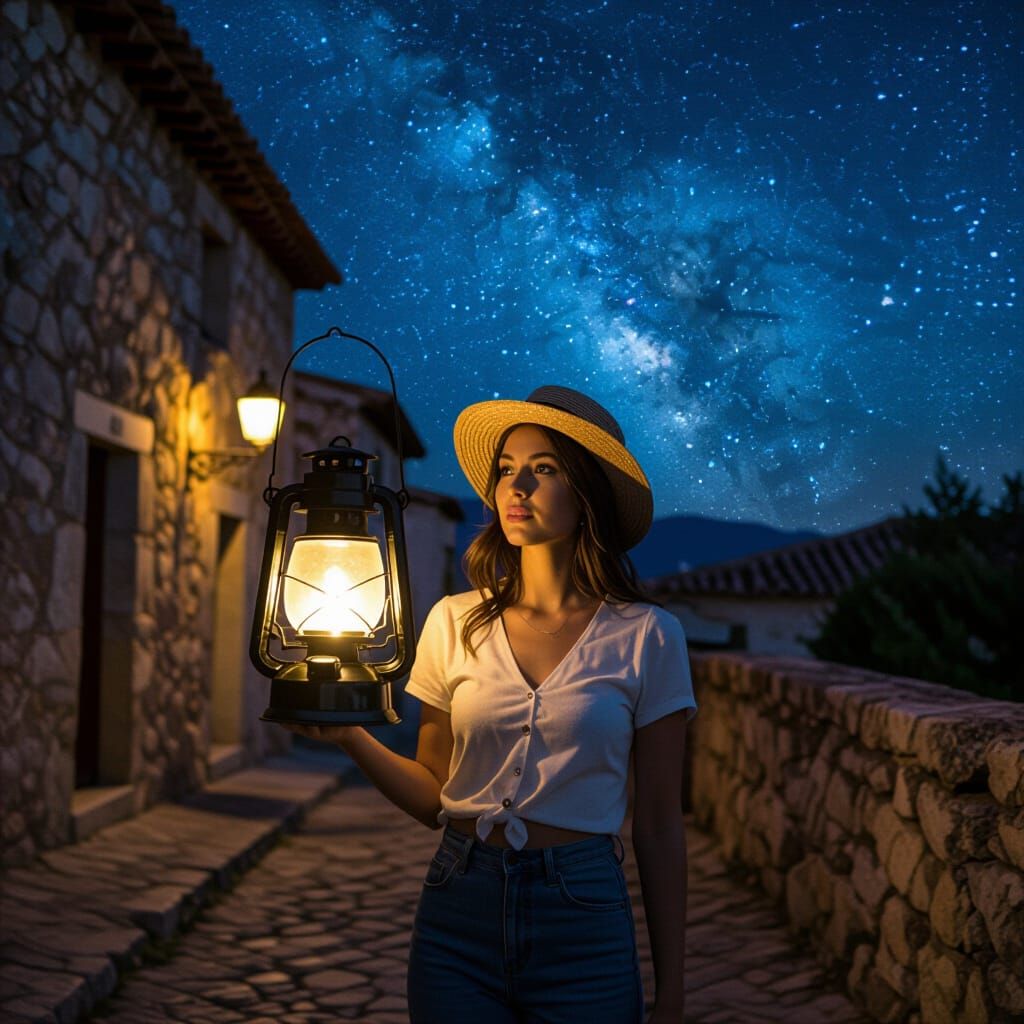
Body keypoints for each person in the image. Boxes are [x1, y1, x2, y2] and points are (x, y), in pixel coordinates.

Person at [283, 385, 698, 1023]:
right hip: (458, 908)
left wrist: (672, 991)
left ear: (587, 493)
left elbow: (661, 826)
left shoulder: (648, 636)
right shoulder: (454, 621)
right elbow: (433, 795)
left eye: (544, 469)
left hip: (583, 919)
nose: (516, 487)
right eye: (506, 469)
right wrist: (350, 738)